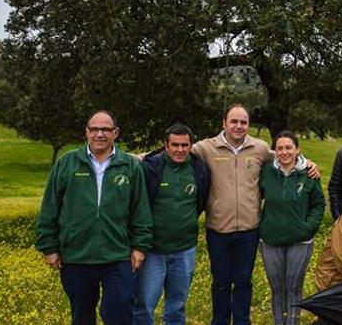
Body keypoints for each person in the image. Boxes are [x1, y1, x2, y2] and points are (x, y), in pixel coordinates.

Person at [192, 103, 319, 325]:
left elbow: (284, 154)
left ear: (248, 125)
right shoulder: (207, 148)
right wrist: (135, 159)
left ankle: (242, 321)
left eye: (243, 122)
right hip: (218, 229)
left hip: (249, 230)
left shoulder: (258, 148)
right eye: (234, 121)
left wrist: (307, 162)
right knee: (220, 281)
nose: (239, 126)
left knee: (243, 281)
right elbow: (178, 151)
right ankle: (220, 321)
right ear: (224, 123)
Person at [36, 110, 152, 325]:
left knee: (119, 312)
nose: (100, 134)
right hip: (76, 256)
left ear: (115, 133)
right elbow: (50, 207)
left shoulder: (130, 166)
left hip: (117, 256)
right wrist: (49, 247)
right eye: (94, 129)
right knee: (82, 316)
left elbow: (141, 210)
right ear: (86, 132)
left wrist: (140, 246)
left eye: (106, 129)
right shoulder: (67, 163)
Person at [134, 123, 211, 325]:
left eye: (184, 145)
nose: (180, 150)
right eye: (175, 145)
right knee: (144, 305)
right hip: (152, 250)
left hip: (185, 250)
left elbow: (200, 203)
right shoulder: (150, 168)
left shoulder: (199, 169)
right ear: (165, 146)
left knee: (177, 306)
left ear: (191, 146)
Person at [259, 131, 325, 325]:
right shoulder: (266, 171)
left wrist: (309, 227)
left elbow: (318, 204)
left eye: (289, 147)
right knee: (277, 288)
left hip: (300, 241)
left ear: (297, 149)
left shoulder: (309, 173)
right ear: (274, 151)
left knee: (294, 286)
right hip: (270, 240)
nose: (285, 152)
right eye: (280, 148)